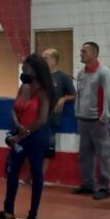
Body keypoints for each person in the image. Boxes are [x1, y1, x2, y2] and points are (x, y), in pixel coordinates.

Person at [0, 54, 54, 219]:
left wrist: (22, 133)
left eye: (26, 69)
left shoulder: (44, 92)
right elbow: (14, 108)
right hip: (20, 134)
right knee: (12, 172)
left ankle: (32, 214)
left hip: (36, 136)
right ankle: (8, 210)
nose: (23, 72)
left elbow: (41, 119)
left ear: (35, 71)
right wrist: (17, 125)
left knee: (36, 173)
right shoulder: (23, 87)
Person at [73, 42, 110, 200]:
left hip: (99, 121)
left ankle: (104, 187)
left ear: (94, 53)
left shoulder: (104, 73)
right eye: (81, 51)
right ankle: (87, 184)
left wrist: (104, 118)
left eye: (84, 51)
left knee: (103, 154)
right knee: (85, 155)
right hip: (83, 120)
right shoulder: (81, 74)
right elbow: (79, 95)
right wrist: (77, 113)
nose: (81, 54)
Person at [41, 49, 75, 177]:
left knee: (47, 150)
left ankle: (40, 177)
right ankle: (29, 176)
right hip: (37, 118)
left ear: (54, 60)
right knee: (33, 148)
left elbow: (74, 95)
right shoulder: (38, 76)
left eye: (46, 58)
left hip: (52, 119)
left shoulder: (63, 77)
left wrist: (63, 99)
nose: (43, 60)